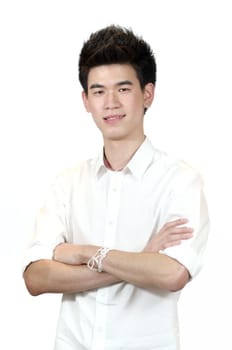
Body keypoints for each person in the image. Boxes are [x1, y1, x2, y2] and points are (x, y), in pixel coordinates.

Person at [23, 25, 209, 350]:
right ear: (85, 100)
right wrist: (141, 259)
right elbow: (36, 278)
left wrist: (82, 252)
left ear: (147, 93)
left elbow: (172, 274)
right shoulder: (67, 183)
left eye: (123, 89)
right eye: (98, 91)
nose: (110, 103)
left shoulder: (180, 180)